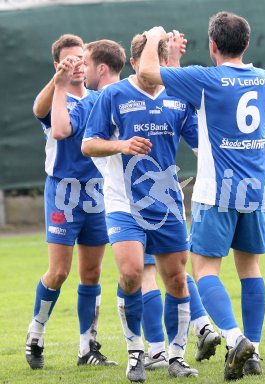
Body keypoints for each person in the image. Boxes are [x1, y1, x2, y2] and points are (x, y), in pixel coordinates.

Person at [139, 11, 265, 381]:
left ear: (212, 45)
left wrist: (154, 38)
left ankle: (234, 338)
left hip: (217, 192)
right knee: (250, 270)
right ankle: (254, 352)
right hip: (255, 190)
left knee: (204, 270)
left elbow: (147, 73)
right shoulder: (263, 78)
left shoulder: (206, 79)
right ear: (246, 44)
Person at [81, 32, 201, 383]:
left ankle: (176, 356)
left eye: (160, 63)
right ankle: (136, 352)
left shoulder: (178, 97)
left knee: (177, 279)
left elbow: (199, 144)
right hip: (123, 203)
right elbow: (89, 145)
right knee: (132, 272)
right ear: (135, 63)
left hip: (167, 204)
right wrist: (121, 145)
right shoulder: (114, 95)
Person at [25, 34, 117, 370]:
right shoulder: (57, 96)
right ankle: (36, 332)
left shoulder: (99, 97)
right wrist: (58, 80)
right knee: (59, 271)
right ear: (58, 63)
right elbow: (39, 111)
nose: (77, 64)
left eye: (81, 58)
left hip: (96, 192)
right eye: (69, 60)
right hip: (63, 193)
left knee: (91, 272)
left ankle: (87, 348)